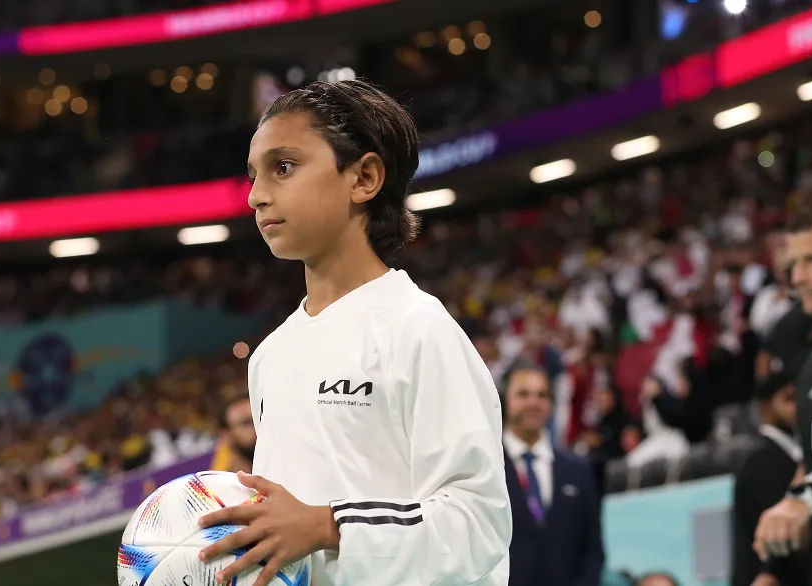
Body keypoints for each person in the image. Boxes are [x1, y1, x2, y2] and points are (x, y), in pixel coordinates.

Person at [196, 80, 512, 586]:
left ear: (364, 177)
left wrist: (328, 525)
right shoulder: (270, 356)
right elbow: (284, 541)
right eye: (253, 174)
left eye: (284, 167)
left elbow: (477, 526)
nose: (255, 195)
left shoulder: (419, 329)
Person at [754, 204, 812, 586]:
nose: (799, 277)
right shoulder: (808, 368)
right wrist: (772, 569)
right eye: (793, 265)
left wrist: (805, 501)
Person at [502, 364, 604, 586]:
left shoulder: (579, 471)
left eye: (542, 395)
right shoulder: (486, 468)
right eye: (523, 394)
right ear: (504, 400)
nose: (533, 402)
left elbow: (592, 549)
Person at [732, 373, 808, 586]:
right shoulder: (762, 462)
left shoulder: (789, 455)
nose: (798, 407)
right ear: (765, 408)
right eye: (789, 399)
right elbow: (777, 537)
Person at [211, 396, 257, 474]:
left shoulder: (282, 469)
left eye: (259, 419)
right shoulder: (220, 484)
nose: (257, 426)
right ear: (225, 436)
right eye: (246, 423)